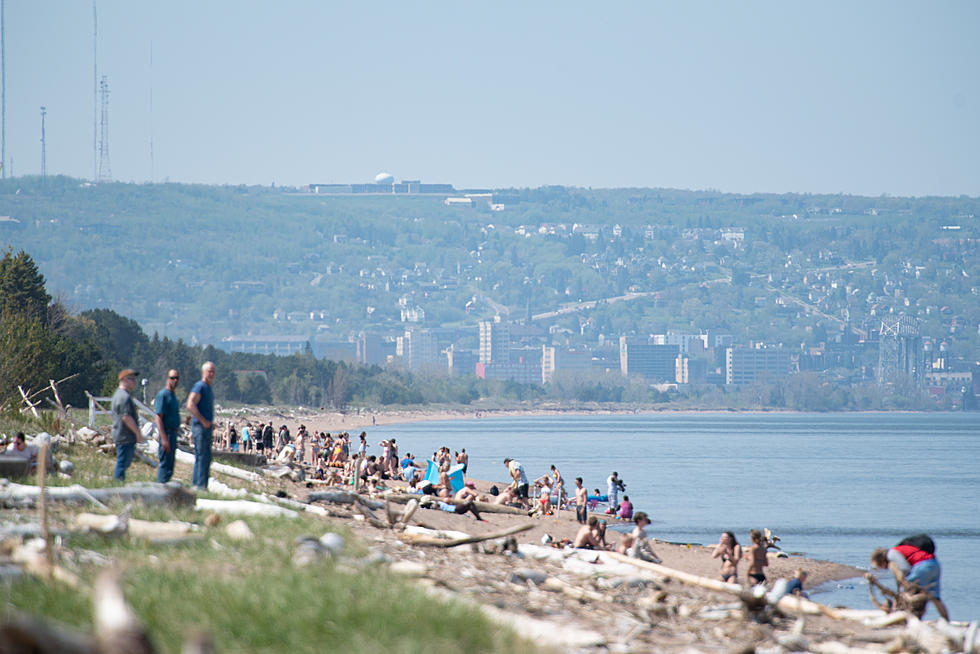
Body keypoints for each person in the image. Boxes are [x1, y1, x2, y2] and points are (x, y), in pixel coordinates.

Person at [871, 534, 948, 619]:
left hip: (922, 566)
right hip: (934, 564)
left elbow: (904, 569)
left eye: (880, 565)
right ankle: (947, 621)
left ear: (881, 560)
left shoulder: (891, 554)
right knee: (935, 598)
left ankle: (896, 616)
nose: (883, 568)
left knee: (906, 594)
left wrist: (904, 584)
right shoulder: (899, 550)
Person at [186, 361, 215, 491]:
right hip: (200, 428)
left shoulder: (208, 388)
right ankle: (199, 486)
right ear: (203, 372)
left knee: (205, 457)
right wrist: (203, 421)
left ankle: (200, 485)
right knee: (202, 456)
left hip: (206, 428)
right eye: (209, 371)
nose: (211, 374)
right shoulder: (200, 386)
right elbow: (190, 404)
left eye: (213, 371)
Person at [111, 368, 142, 481]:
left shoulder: (120, 395)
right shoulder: (124, 397)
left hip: (123, 435)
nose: (134, 382)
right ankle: (117, 486)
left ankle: (118, 483)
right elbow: (126, 417)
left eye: (135, 379)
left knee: (124, 463)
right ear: (123, 380)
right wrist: (138, 433)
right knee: (122, 463)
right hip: (124, 435)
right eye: (131, 379)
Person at [153, 369, 182, 483]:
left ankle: (165, 490)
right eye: (172, 378)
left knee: (170, 466)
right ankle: (160, 489)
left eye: (177, 378)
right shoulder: (163, 395)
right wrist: (164, 438)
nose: (175, 380)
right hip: (167, 433)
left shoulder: (174, 396)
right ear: (167, 379)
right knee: (165, 464)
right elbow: (158, 417)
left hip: (174, 433)